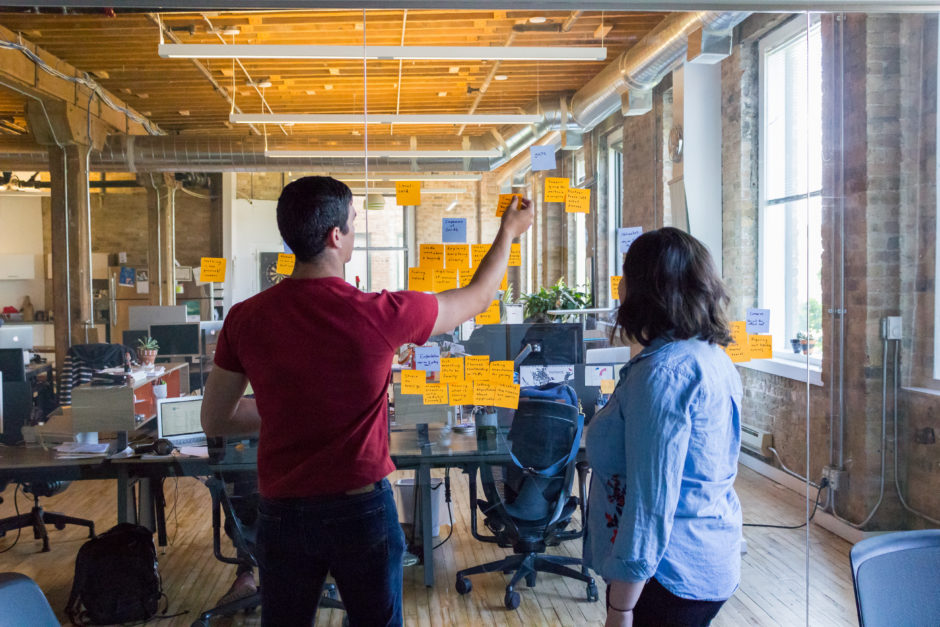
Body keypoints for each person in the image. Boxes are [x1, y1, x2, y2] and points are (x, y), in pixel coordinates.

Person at [201, 176, 533, 626]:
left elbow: (216, 419)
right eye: (354, 222)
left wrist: (289, 412)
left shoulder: (245, 319)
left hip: (284, 514)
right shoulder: (381, 313)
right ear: (335, 236)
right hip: (360, 512)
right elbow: (477, 298)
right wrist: (508, 232)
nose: (355, 230)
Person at [584, 227, 743, 627]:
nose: (619, 286)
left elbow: (650, 505)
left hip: (666, 575)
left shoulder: (662, 374)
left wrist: (621, 608)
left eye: (626, 275)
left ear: (648, 290)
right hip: (708, 558)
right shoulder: (711, 356)